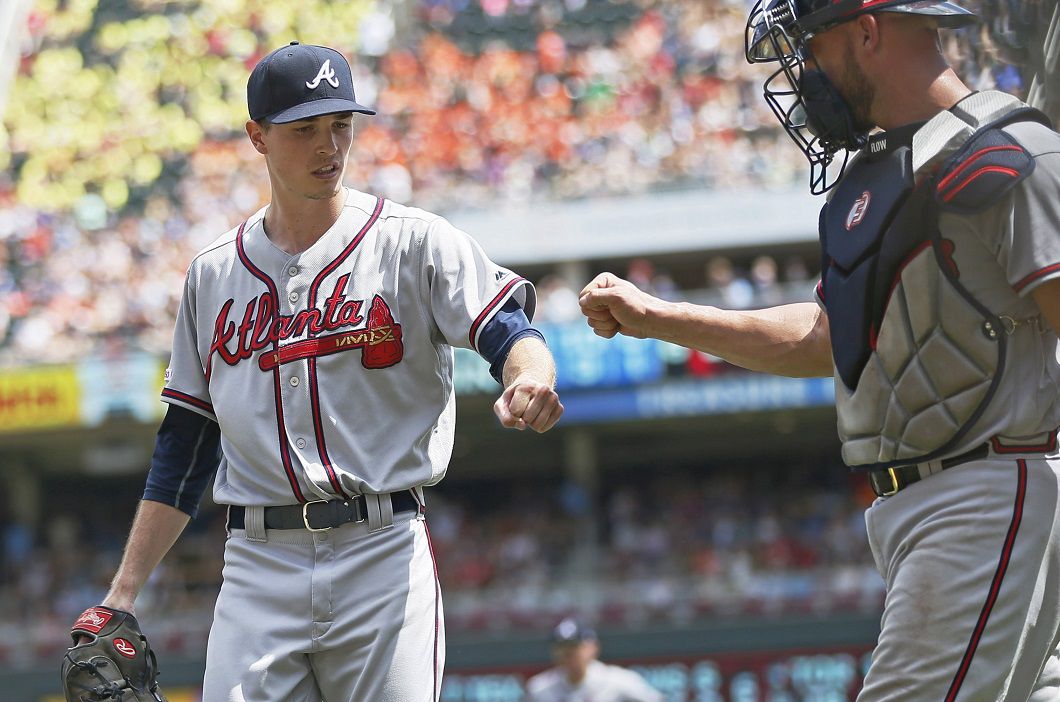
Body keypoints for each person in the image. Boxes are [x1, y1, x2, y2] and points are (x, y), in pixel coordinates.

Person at [580, 1, 1060, 699]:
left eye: (812, 45)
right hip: (923, 506)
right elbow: (829, 336)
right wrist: (661, 317)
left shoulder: (1006, 153)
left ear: (868, 32)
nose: (803, 71)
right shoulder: (875, 175)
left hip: (988, 495)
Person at [73, 42, 563, 701]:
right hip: (257, 562)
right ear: (257, 137)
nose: (328, 146)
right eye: (305, 130)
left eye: (340, 125)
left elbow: (510, 332)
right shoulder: (214, 274)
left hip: (382, 551)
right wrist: (123, 592)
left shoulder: (412, 241)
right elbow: (185, 445)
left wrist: (529, 376)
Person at [523, 618, 664, 702]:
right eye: (561, 648)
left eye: (573, 647)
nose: (567, 654)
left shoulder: (619, 680)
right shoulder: (539, 688)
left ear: (592, 647)